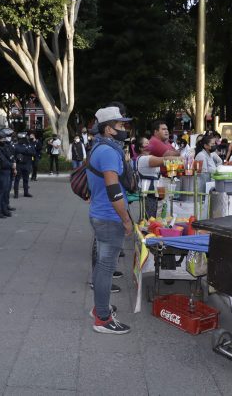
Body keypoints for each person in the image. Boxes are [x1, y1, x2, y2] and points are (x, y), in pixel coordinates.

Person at [86, 106, 132, 335]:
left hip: (101, 214)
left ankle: (100, 307)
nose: (124, 129)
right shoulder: (108, 152)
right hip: (109, 216)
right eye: (120, 125)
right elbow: (114, 190)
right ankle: (103, 318)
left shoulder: (101, 147)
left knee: (103, 265)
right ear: (108, 129)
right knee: (106, 267)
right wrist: (125, 219)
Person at [135, 137, 166, 219]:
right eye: (146, 143)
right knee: (150, 217)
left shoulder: (150, 157)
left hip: (155, 190)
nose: (149, 145)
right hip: (148, 191)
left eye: (149, 143)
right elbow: (165, 160)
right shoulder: (143, 159)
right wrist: (179, 159)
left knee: (155, 214)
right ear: (140, 148)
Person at [13, 132, 36, 197]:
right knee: (17, 179)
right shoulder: (16, 145)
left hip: (27, 164)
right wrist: (26, 151)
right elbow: (15, 152)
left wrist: (24, 151)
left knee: (26, 179)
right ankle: (16, 194)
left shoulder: (28, 145)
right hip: (19, 164)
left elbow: (33, 152)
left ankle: (26, 192)